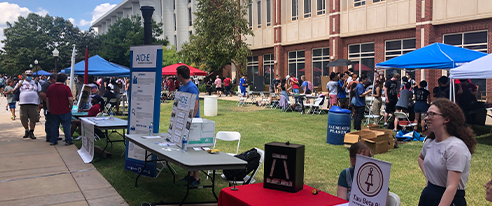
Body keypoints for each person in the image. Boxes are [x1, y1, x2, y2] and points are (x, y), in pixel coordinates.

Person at [417, 98, 476, 206]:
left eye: (432, 114)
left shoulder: (455, 147)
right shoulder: (429, 142)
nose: (426, 118)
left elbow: (451, 186)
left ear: (446, 119)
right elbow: (421, 158)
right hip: (429, 195)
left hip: (449, 199)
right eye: (426, 114)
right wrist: (429, 177)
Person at [176, 65, 200, 186]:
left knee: (193, 149)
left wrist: (191, 120)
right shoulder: (182, 87)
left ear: (180, 75)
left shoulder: (192, 87)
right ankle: (190, 175)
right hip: (183, 121)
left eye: (176, 74)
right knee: (186, 148)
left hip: (192, 122)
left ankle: (196, 177)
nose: (176, 76)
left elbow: (195, 106)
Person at [46, 73, 74, 146]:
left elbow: (47, 98)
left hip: (54, 110)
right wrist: (71, 106)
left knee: (54, 125)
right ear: (65, 80)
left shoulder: (50, 87)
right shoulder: (66, 88)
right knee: (66, 126)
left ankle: (53, 140)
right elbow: (70, 99)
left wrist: (48, 107)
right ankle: (68, 139)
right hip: (64, 109)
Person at [17, 70, 42, 139]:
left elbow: (40, 92)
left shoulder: (36, 83)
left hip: (33, 103)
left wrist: (40, 102)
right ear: (25, 75)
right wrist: (18, 86)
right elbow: (14, 91)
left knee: (33, 119)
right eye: (27, 75)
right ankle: (26, 129)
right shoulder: (21, 82)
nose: (29, 77)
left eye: (30, 75)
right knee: (23, 118)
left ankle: (31, 132)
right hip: (23, 103)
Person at [40, 73, 58, 142]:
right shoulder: (46, 85)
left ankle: (54, 135)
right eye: (56, 79)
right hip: (48, 106)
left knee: (54, 121)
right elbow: (42, 93)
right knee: (49, 121)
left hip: (54, 106)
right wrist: (48, 101)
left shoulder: (53, 85)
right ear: (53, 79)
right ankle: (49, 136)